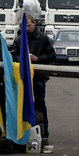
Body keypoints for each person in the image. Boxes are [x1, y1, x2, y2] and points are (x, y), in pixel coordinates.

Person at [15, 14, 55, 142]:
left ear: (34, 24)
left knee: (39, 105)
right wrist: (22, 59)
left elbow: (51, 56)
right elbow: (13, 55)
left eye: (29, 25)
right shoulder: (19, 39)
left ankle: (43, 134)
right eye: (24, 26)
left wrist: (38, 59)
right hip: (23, 77)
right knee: (21, 104)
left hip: (38, 77)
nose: (27, 28)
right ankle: (23, 132)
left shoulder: (43, 39)